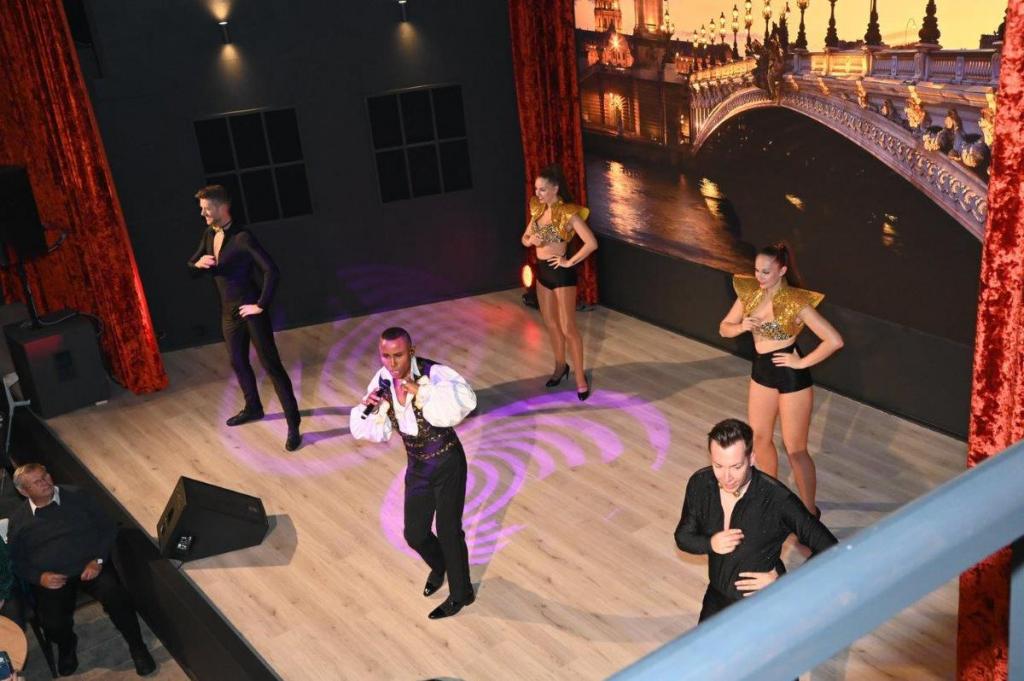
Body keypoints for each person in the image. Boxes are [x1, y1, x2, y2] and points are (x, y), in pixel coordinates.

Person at [350, 328, 477, 619]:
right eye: (385, 356)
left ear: (411, 351)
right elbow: (372, 430)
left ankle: (462, 593)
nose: (392, 363)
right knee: (415, 534)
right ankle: (442, 565)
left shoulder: (435, 374)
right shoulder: (382, 380)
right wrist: (370, 408)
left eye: (398, 355)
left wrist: (421, 392)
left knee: (448, 531)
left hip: (447, 463)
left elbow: (464, 402)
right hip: (418, 466)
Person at [718, 242, 843, 513]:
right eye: (757, 270)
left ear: (782, 271)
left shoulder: (795, 301)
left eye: (766, 272)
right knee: (760, 439)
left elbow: (834, 340)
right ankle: (771, 501)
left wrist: (801, 363)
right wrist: (741, 326)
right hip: (761, 372)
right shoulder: (750, 294)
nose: (759, 276)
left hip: (790, 377)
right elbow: (724, 328)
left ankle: (809, 514)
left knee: (795, 449)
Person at [674, 419, 837, 624]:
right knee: (703, 645)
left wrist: (782, 581)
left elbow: (830, 548)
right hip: (717, 595)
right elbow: (683, 537)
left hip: (760, 604)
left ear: (751, 458)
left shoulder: (777, 500)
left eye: (736, 467)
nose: (726, 477)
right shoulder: (700, 484)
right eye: (718, 466)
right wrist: (710, 543)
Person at [7, 464, 156, 677]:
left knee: (117, 597)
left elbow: (108, 527)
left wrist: (98, 560)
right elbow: (16, 560)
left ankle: (137, 646)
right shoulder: (19, 521)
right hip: (53, 578)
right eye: (36, 482)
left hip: (91, 566)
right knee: (53, 623)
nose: (45, 482)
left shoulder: (77, 496)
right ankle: (67, 646)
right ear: (23, 491)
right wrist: (40, 577)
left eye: (45, 475)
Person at [188, 185, 302, 451]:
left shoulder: (242, 237)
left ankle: (293, 424)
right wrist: (198, 264)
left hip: (249, 311)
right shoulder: (208, 234)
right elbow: (191, 266)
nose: (202, 213)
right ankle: (253, 408)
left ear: (221, 208)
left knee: (271, 365)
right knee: (237, 362)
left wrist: (260, 305)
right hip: (228, 313)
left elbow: (272, 271)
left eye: (206, 209)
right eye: (201, 209)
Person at [520, 165, 599, 400]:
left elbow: (591, 243)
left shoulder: (567, 213)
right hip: (542, 272)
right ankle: (560, 367)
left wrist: (568, 262)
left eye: (542, 189)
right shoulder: (537, 209)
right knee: (551, 324)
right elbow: (525, 239)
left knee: (568, 328)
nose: (538, 193)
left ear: (555, 189)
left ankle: (580, 378)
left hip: (561, 274)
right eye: (536, 189)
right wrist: (531, 240)